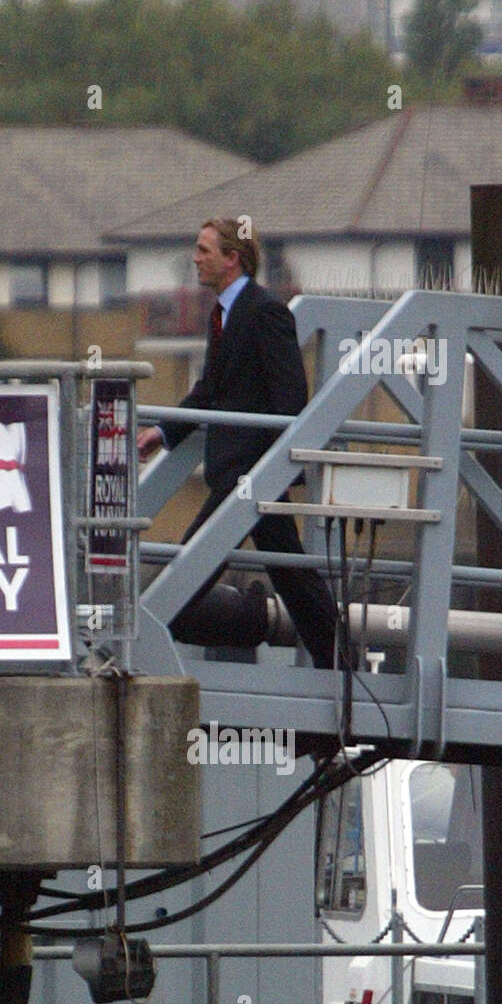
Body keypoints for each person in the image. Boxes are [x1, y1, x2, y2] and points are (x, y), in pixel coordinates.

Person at [137, 217, 342, 669]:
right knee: (296, 583)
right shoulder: (223, 314)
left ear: (232, 259)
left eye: (204, 250)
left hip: (247, 480)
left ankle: (324, 662)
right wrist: (164, 431)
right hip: (241, 479)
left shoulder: (265, 311)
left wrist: (262, 474)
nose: (195, 258)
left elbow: (290, 399)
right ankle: (344, 675)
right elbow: (209, 390)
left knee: (181, 587)